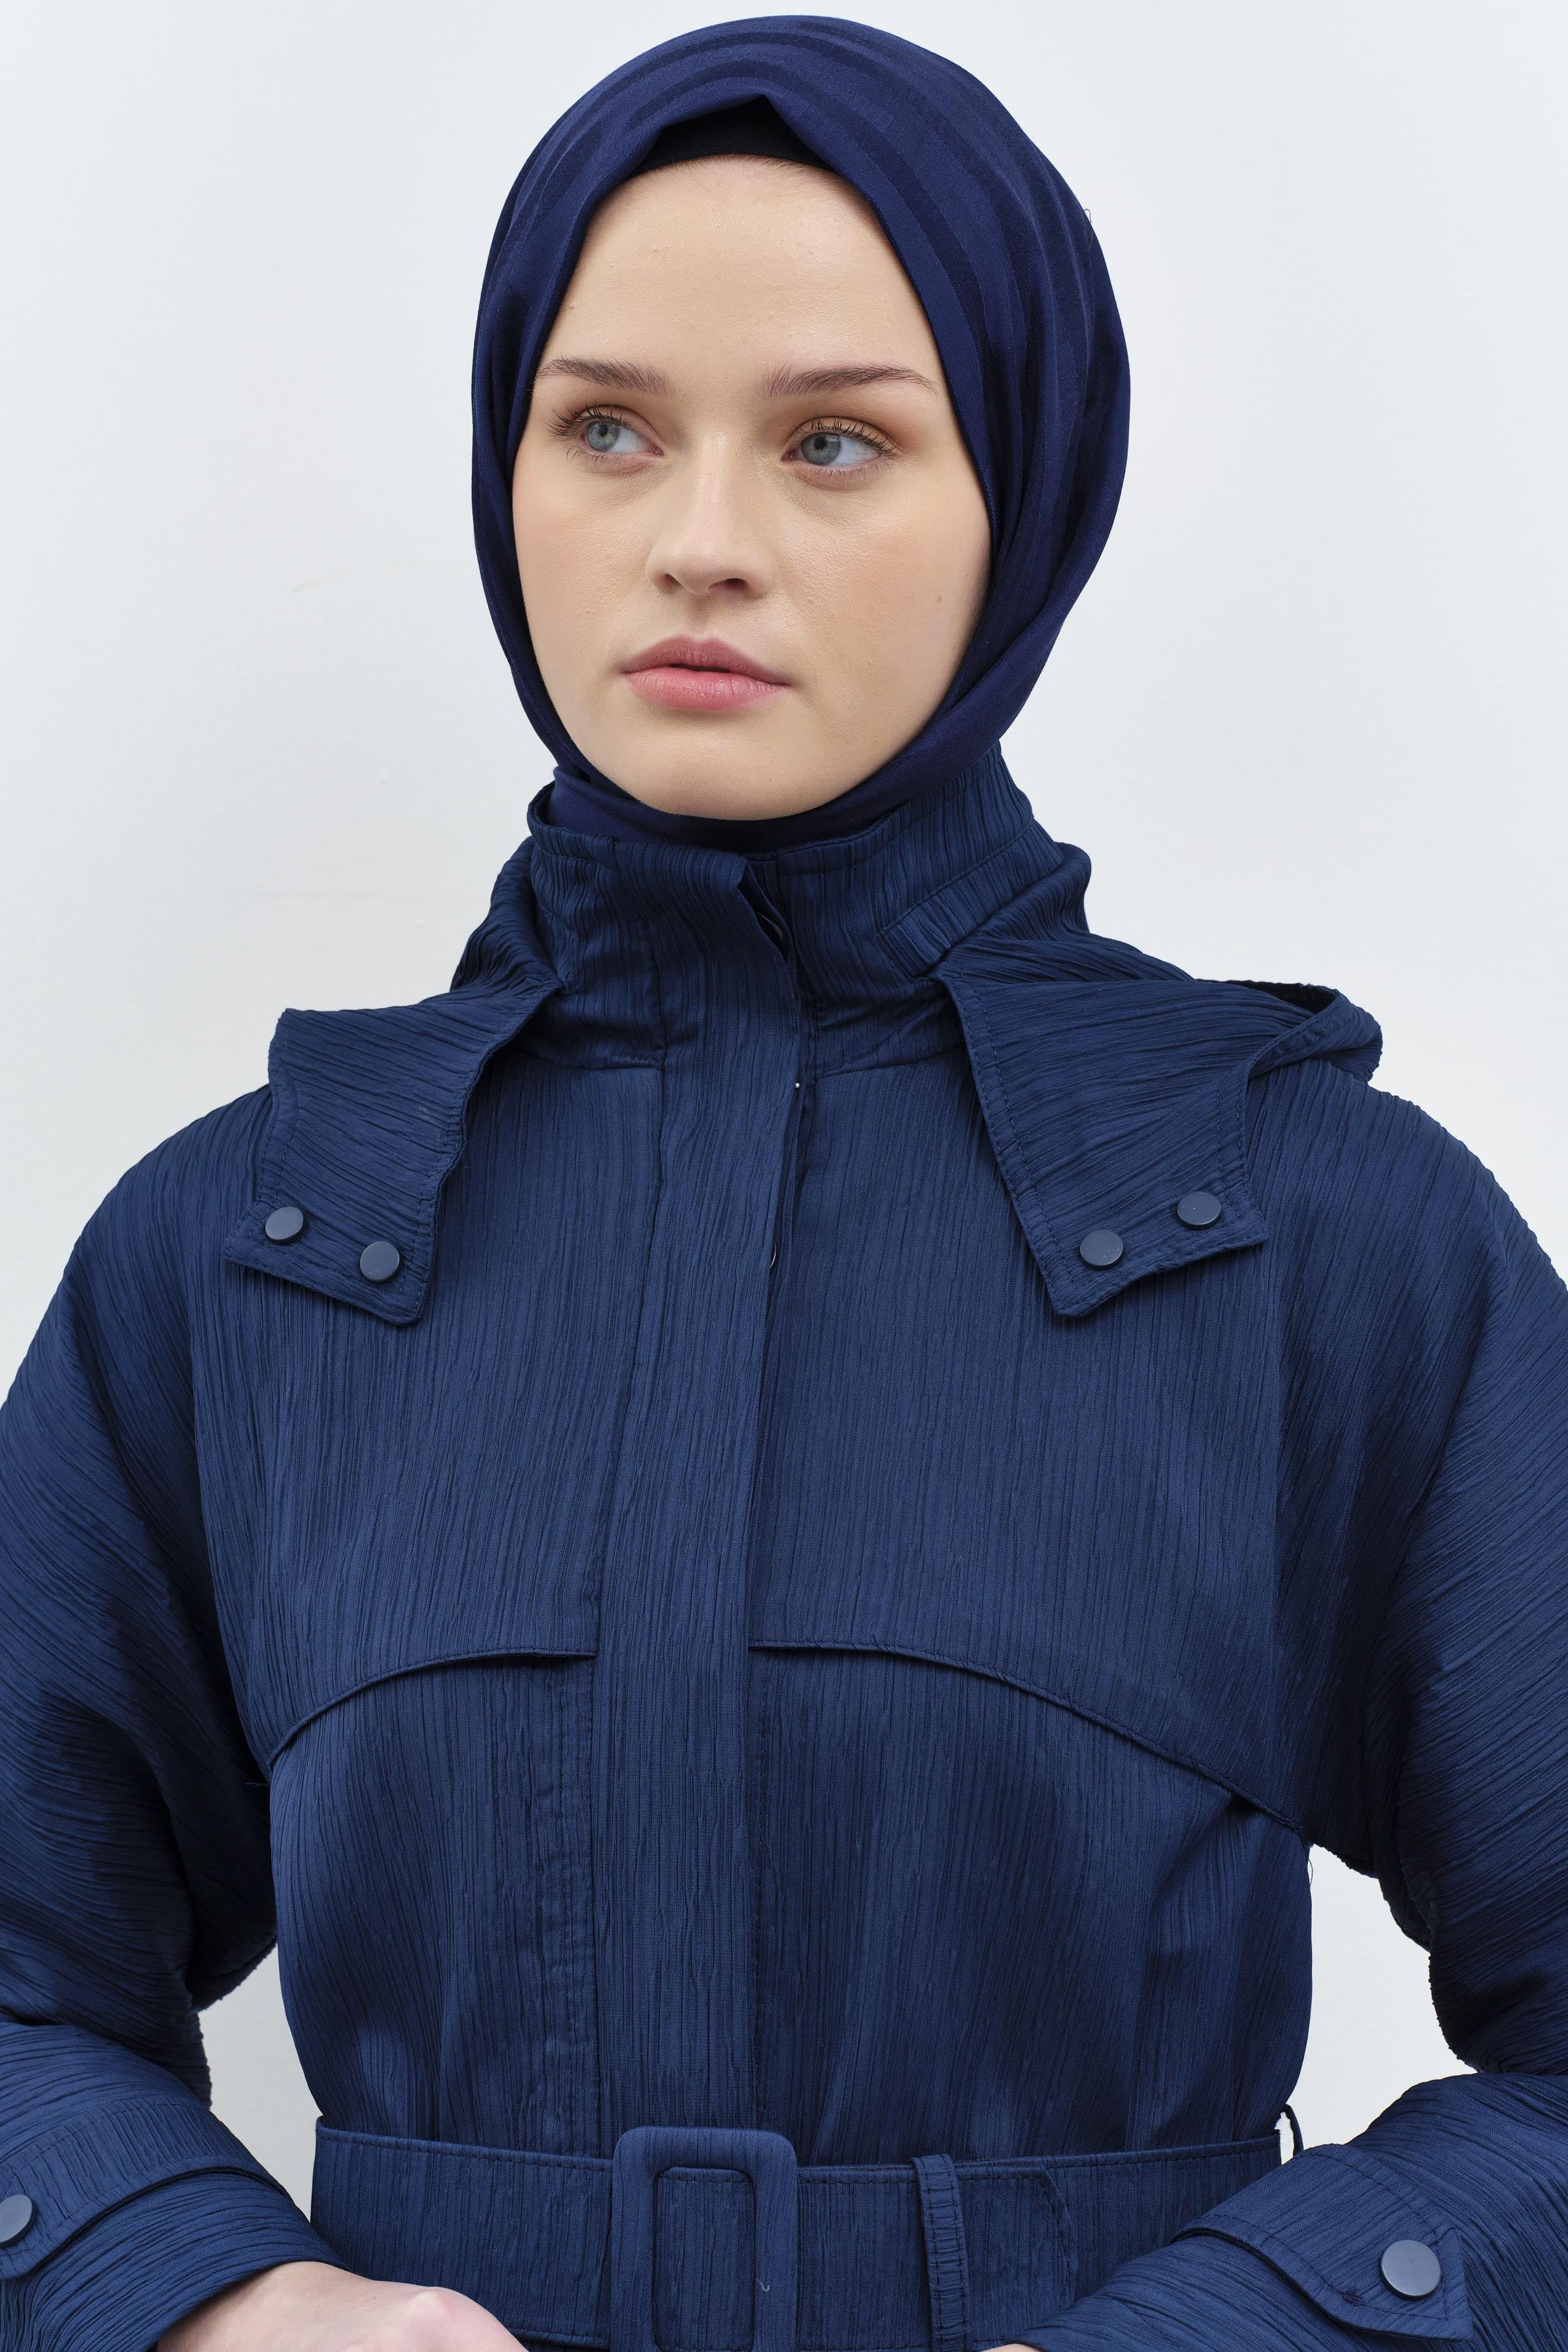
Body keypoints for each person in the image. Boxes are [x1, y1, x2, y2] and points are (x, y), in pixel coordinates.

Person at [0, 16, 1564, 2352]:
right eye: (606, 428)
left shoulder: (1322, 1235)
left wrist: (1225, 2332)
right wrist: (230, 2305)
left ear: (1025, 489)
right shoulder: (243, 1256)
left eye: (836, 441)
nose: (699, 540)